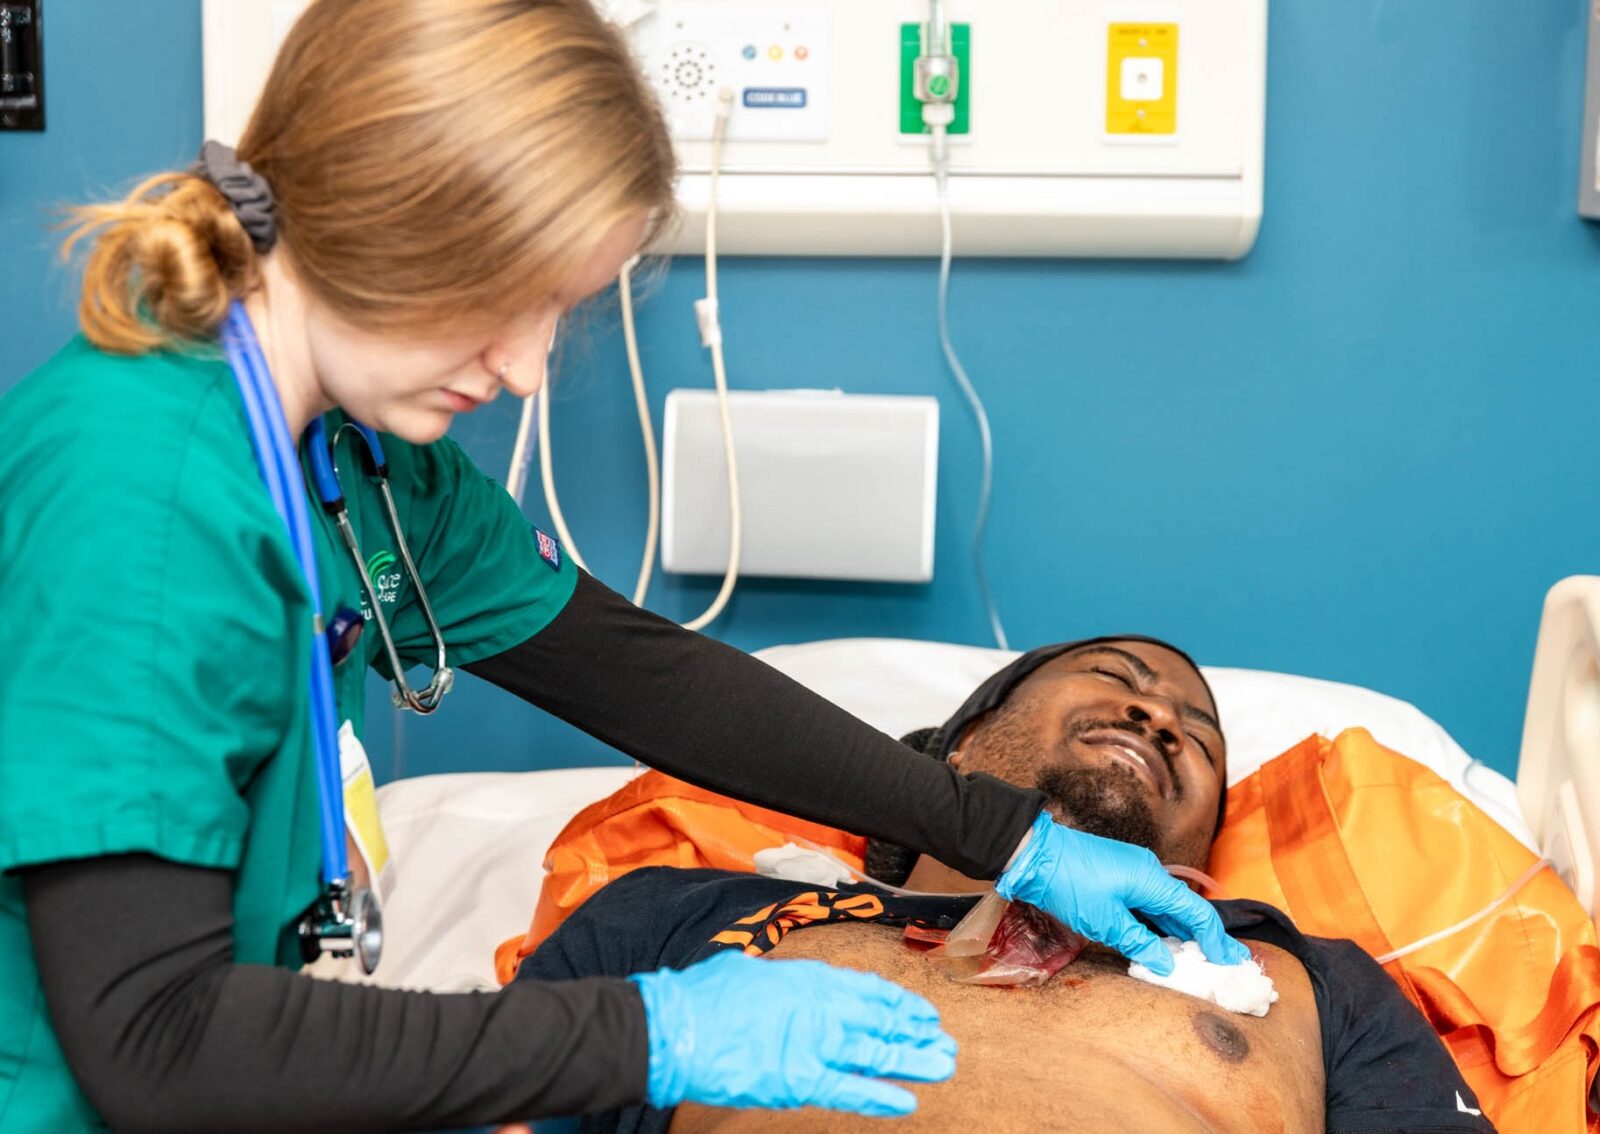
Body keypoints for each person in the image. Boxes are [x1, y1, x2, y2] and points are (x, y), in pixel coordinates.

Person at [0, 1, 1248, 1131]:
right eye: (513, 297)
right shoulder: (143, 500)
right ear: (398, 214)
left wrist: (999, 832)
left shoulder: (353, 454)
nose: (530, 369)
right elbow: (153, 1039)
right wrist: (656, 1033)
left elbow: (630, 667)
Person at [518, 637, 1497, 1134]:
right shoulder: (681, 910)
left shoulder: (1305, 976)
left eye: (1196, 736)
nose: (1158, 719)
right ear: (962, 743)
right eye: (1115, 680)